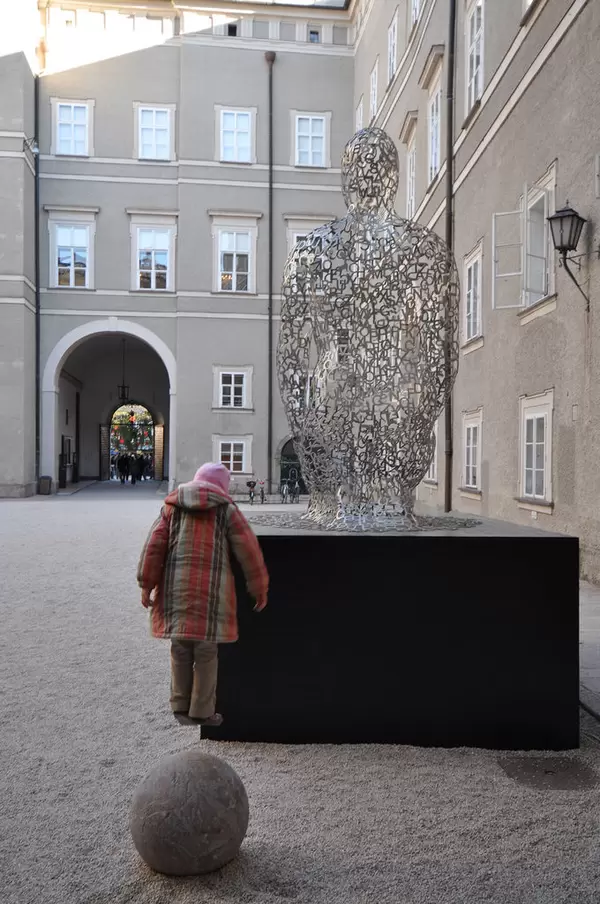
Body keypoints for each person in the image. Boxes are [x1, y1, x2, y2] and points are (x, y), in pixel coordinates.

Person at [137, 462, 269, 727]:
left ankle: (179, 705)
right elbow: (248, 550)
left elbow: (154, 547)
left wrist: (146, 583)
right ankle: (203, 710)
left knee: (180, 649)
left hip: (175, 592)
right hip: (211, 595)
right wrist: (258, 586)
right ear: (222, 486)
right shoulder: (226, 510)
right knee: (206, 653)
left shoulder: (171, 507)